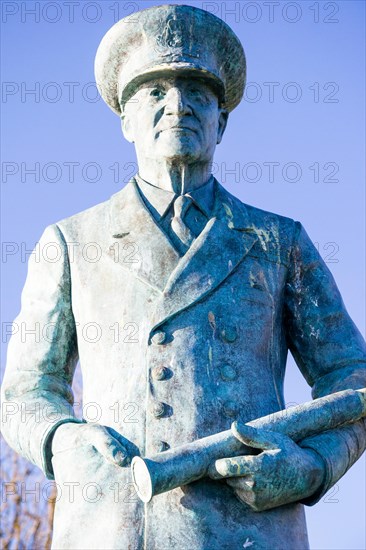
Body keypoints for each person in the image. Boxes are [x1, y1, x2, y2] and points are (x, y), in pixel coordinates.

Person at [1, 5, 365, 549]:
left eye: (197, 92)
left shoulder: (279, 242)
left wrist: (311, 466)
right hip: (112, 529)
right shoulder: (71, 242)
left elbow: (352, 379)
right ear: (124, 119)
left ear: (223, 119)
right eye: (155, 92)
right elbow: (26, 391)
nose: (178, 106)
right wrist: (62, 439)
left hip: (249, 532)